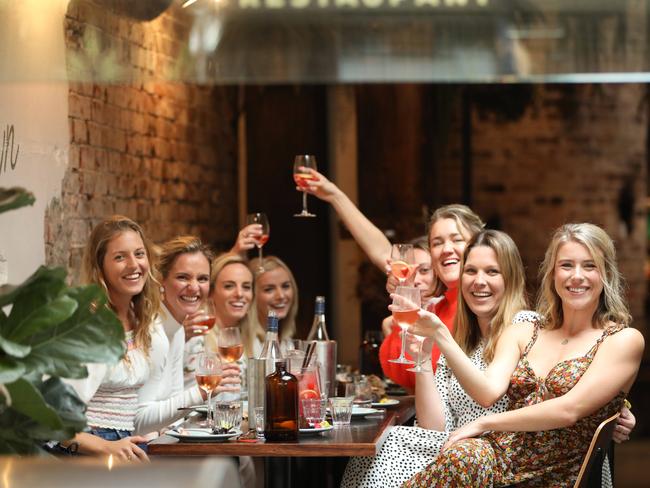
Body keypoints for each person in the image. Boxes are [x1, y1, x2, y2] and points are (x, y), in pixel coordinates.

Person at [404, 223, 644, 487]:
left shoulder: (623, 340)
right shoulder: (524, 330)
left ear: (606, 274)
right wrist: (440, 333)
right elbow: (486, 393)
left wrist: (485, 423)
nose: (576, 276)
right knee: (460, 457)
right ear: (552, 273)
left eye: (589, 266)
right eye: (566, 265)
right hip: (498, 456)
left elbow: (569, 410)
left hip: (558, 473)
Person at [342, 230, 531, 487]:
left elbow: (489, 393)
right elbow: (433, 427)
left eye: (492, 272)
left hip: (493, 458)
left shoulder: (523, 325)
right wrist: (421, 360)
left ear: (511, 279)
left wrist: (441, 336)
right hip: (452, 449)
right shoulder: (462, 339)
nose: (479, 281)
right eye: (471, 271)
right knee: (380, 446)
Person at [298, 168, 485, 390]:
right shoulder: (437, 309)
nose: (446, 249)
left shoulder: (483, 297)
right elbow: (385, 254)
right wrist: (334, 196)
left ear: (478, 243)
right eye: (437, 243)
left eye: (457, 239)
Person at [62, 215, 159, 462]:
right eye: (119, 257)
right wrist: (107, 447)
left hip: (127, 442)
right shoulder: (91, 326)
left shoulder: (142, 320)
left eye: (139, 253)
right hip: (91, 448)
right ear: (100, 267)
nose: (133, 264)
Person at [134, 236, 240, 435]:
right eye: (183, 277)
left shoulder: (177, 329)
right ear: (162, 281)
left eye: (202, 279)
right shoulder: (153, 331)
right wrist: (202, 391)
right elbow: (137, 421)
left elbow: (176, 410)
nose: (194, 287)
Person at [248, 255, 298, 344]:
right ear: (251, 294)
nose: (281, 296)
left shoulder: (286, 340)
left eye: (285, 286)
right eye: (269, 289)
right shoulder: (243, 344)